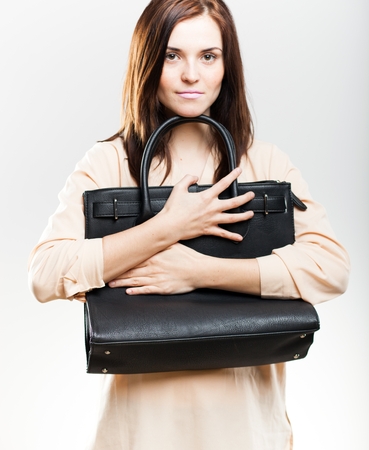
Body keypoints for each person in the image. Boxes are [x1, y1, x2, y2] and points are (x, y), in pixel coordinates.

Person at [28, 0, 350, 449]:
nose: (191, 75)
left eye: (208, 56)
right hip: (139, 433)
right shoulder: (110, 163)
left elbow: (331, 268)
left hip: (246, 431)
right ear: (148, 61)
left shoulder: (263, 161)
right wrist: (167, 227)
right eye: (172, 55)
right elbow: (44, 274)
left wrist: (200, 272)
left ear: (226, 65)